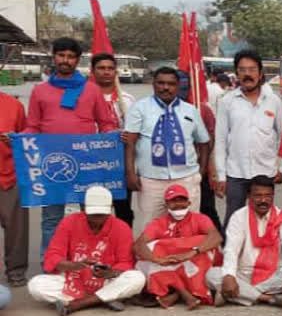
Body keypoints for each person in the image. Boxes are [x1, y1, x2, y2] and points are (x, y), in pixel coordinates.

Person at [24, 37, 117, 256]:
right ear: (54, 57)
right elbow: (33, 126)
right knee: (51, 220)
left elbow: (105, 124)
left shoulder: (92, 90)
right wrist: (18, 139)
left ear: (77, 60)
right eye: (61, 55)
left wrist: (113, 137)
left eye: (70, 56)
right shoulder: (40, 91)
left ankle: (93, 262)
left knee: (92, 215)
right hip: (52, 165)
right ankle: (52, 265)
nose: (65, 60)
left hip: (87, 165)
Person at [27, 186, 145, 316]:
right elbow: (53, 255)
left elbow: (126, 262)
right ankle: (103, 299)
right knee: (36, 285)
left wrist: (112, 272)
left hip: (106, 280)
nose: (97, 219)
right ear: (84, 209)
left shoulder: (122, 227)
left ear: (110, 209)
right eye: (93, 214)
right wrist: (73, 265)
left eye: (101, 215)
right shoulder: (69, 222)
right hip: (74, 278)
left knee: (137, 278)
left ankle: (77, 304)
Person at [124, 67, 211, 233]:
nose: (166, 87)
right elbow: (130, 143)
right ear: (153, 84)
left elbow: (204, 141)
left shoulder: (190, 110)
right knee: (151, 227)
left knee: (189, 226)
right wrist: (130, 173)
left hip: (186, 178)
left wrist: (202, 170)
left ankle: (186, 258)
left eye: (171, 84)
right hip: (151, 180)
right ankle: (154, 258)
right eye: (161, 83)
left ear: (178, 86)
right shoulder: (139, 108)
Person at [206, 176, 282, 310]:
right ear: (249, 196)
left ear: (273, 196)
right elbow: (231, 249)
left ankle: (232, 294)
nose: (263, 200)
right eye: (258, 196)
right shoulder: (239, 217)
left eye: (268, 196)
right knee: (210, 274)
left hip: (273, 275)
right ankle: (271, 298)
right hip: (242, 274)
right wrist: (229, 276)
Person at [215, 50, 282, 228]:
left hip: (265, 172)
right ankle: (229, 255)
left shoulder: (273, 101)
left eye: (252, 69)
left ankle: (262, 255)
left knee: (264, 220)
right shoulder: (227, 101)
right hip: (236, 173)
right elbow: (221, 139)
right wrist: (221, 175)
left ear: (260, 73)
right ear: (236, 74)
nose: (247, 74)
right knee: (233, 220)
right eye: (242, 70)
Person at [133, 184, 223, 310]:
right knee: (154, 249)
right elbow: (139, 245)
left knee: (203, 244)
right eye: (173, 201)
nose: (178, 204)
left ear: (189, 202)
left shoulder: (200, 218)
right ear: (166, 204)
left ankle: (179, 294)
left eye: (182, 200)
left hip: (193, 261)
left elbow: (216, 237)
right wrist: (158, 259)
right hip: (168, 263)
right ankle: (185, 294)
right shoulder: (158, 223)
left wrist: (192, 252)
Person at [91, 52, 137, 227]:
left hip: (120, 164)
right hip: (93, 164)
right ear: (93, 71)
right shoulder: (84, 98)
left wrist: (127, 136)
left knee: (123, 210)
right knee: (96, 210)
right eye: (101, 68)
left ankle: (123, 249)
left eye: (110, 68)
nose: (106, 72)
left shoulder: (127, 100)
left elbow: (135, 132)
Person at [176, 70, 223, 234]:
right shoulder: (155, 110)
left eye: (184, 86)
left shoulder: (202, 110)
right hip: (170, 173)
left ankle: (221, 246)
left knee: (207, 209)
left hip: (198, 169)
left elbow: (210, 141)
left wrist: (206, 169)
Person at [0, 91, 29, 287]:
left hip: (10, 173)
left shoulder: (14, 105)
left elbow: (27, 135)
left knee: (16, 228)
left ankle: (16, 271)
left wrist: (16, 139)